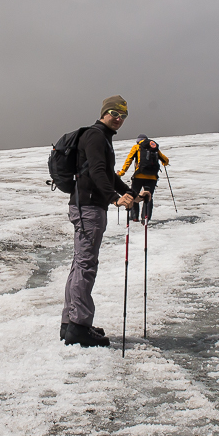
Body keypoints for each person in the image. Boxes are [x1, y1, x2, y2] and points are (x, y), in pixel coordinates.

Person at [61, 95, 145, 347]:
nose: (119, 119)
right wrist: (113, 198)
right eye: (114, 113)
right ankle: (78, 326)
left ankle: (71, 322)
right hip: (88, 208)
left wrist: (130, 194)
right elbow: (98, 172)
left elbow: (107, 174)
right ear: (104, 112)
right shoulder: (96, 136)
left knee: (80, 264)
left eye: (123, 116)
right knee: (86, 265)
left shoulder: (101, 136)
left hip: (86, 206)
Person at [117, 134, 169, 223]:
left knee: (134, 195)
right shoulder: (154, 148)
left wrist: (121, 173)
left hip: (139, 176)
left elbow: (128, 160)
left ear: (138, 141)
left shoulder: (137, 147)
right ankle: (146, 218)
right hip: (152, 177)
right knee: (148, 197)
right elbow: (166, 160)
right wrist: (163, 164)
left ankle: (134, 217)